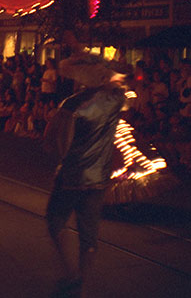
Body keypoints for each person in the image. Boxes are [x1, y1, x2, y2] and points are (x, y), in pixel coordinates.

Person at [43, 51, 127, 298]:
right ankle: (83, 284)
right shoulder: (114, 100)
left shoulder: (70, 104)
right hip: (99, 178)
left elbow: (52, 141)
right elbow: (118, 77)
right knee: (89, 234)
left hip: (70, 176)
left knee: (55, 220)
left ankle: (68, 271)